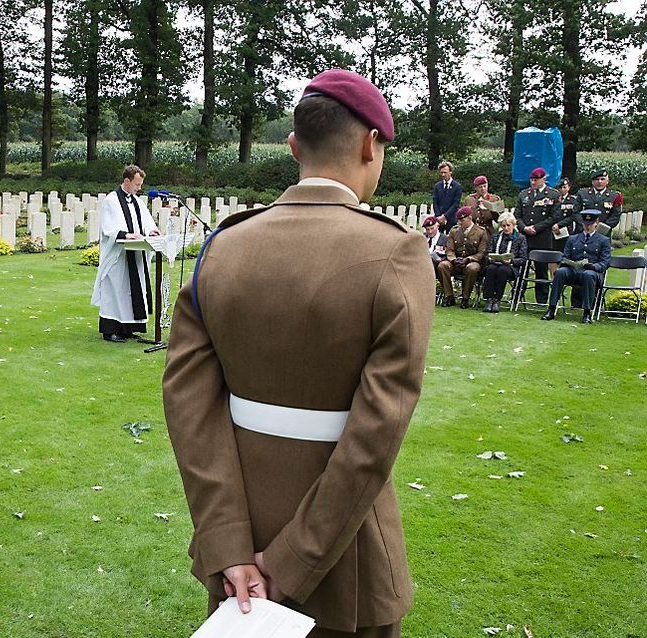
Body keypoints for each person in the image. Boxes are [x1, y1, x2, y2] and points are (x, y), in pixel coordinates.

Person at [163, 69, 434, 638]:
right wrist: (294, 559)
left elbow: (189, 406)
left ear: (292, 147)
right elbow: (377, 428)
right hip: (344, 548)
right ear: (370, 143)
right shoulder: (396, 252)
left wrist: (227, 541)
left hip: (240, 537)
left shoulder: (223, 247)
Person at [91, 165, 161, 342]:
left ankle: (129, 328)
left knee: (132, 291)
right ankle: (110, 330)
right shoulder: (111, 200)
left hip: (135, 253)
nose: (139, 188)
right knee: (116, 291)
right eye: (137, 184)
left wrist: (151, 231)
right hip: (118, 255)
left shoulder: (137, 201)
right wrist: (125, 234)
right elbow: (108, 227)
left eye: (140, 185)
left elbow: (146, 222)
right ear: (126, 181)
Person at [542, 209, 611, 324]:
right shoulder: (573, 239)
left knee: (587, 275)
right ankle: (551, 308)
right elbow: (565, 256)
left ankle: (587, 312)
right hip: (574, 270)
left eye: (590, 224)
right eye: (585, 224)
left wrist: (594, 266)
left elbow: (605, 262)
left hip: (592, 272)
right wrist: (567, 262)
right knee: (560, 272)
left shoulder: (603, 240)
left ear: (596, 223)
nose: (588, 227)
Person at [515, 167, 561, 304]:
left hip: (542, 237)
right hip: (525, 237)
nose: (533, 182)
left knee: (541, 269)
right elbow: (517, 215)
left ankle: (541, 299)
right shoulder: (524, 194)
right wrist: (524, 227)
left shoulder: (552, 195)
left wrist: (536, 227)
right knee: (522, 267)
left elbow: (554, 217)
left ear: (543, 179)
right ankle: (517, 294)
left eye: (536, 180)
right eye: (532, 180)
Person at [435, 206, 488, 308]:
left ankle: (465, 298)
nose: (460, 223)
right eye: (459, 220)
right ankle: (449, 296)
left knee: (472, 268)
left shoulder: (481, 232)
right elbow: (449, 249)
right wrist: (453, 259)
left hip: (472, 261)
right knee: (443, 265)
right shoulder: (454, 231)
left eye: (462, 220)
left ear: (470, 217)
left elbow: (481, 253)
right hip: (456, 261)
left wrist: (468, 259)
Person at [481, 212, 527, 313]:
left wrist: (511, 261)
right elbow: (488, 252)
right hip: (495, 264)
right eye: (503, 226)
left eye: (508, 225)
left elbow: (523, 259)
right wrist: (490, 258)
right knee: (491, 269)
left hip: (510, 267)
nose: (506, 228)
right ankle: (489, 300)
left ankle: (497, 299)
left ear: (513, 225)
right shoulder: (496, 236)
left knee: (502, 270)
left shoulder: (520, 238)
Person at [576, 170, 622, 234]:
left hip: (603, 234)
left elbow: (616, 216)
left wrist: (601, 228)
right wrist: (586, 226)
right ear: (592, 182)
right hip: (582, 232)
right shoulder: (582, 193)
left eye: (602, 179)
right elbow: (576, 212)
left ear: (607, 181)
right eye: (597, 179)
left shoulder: (614, 196)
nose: (599, 182)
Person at [552, 177, 582, 254]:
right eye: (560, 187)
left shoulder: (573, 200)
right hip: (553, 230)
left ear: (569, 187)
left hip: (566, 231)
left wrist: (559, 225)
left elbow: (573, 216)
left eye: (564, 187)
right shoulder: (553, 199)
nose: (562, 189)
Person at [432, 160, 462, 229]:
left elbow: (455, 204)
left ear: (450, 172)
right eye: (441, 172)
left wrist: (444, 216)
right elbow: (435, 202)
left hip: (451, 219)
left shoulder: (457, 186)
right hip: (439, 219)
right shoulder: (437, 186)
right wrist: (439, 217)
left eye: (445, 172)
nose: (443, 175)